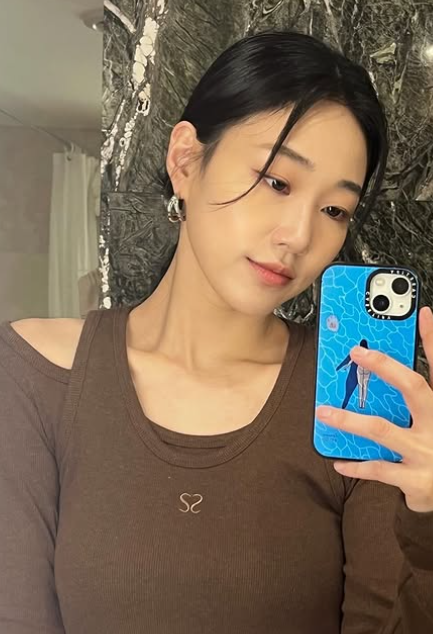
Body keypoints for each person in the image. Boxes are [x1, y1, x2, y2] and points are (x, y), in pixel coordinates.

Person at [1, 30, 433, 634]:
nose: (299, 236)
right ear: (185, 161)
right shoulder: (33, 375)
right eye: (277, 181)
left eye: (335, 210)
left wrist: (427, 520)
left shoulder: (352, 398)